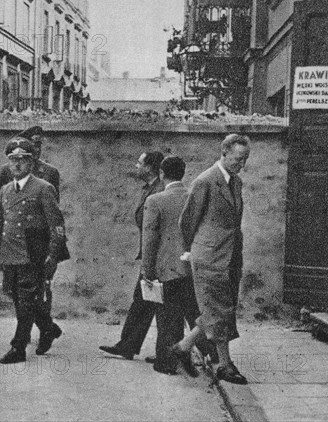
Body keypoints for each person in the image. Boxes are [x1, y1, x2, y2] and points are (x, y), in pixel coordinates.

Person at [171, 134, 251, 385]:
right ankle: (224, 365)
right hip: (209, 257)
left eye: (245, 159)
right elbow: (187, 220)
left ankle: (183, 347)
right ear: (224, 152)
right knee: (220, 309)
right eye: (239, 159)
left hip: (230, 257)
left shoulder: (235, 182)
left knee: (218, 309)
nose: (242, 164)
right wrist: (191, 250)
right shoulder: (205, 181)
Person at [0, 138, 69, 364]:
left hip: (32, 253)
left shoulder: (44, 189)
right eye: (12, 160)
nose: (16, 165)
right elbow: (1, 224)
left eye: (22, 160)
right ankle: (48, 328)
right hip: (11, 253)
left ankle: (18, 347)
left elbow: (57, 226)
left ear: (31, 163)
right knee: (18, 298)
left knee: (26, 299)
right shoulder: (6, 190)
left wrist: (52, 256)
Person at [141, 156, 216, 376]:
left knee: (167, 317)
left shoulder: (155, 200)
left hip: (167, 268)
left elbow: (150, 240)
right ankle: (209, 355)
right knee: (195, 313)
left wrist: (147, 270)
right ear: (183, 173)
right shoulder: (194, 197)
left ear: (162, 174)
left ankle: (166, 362)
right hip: (193, 266)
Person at [99, 151, 164, 360]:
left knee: (164, 305)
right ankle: (128, 345)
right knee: (145, 301)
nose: (136, 167)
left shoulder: (159, 191)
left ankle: (204, 350)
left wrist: (151, 260)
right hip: (151, 255)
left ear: (149, 167)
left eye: (139, 163)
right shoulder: (150, 189)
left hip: (159, 257)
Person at [0, 126, 60, 201]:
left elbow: (53, 205)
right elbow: (1, 203)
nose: (37, 149)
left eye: (39, 145)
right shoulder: (6, 171)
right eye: (33, 146)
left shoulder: (50, 172)